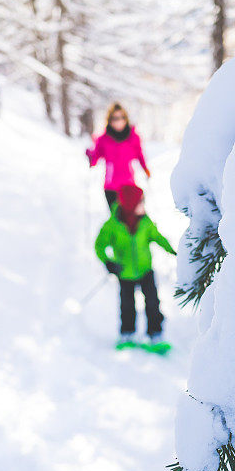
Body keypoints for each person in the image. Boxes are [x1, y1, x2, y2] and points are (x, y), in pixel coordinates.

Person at [94, 184, 176, 350]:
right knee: (127, 304)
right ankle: (127, 333)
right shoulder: (112, 225)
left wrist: (173, 250)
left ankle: (155, 334)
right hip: (125, 272)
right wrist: (109, 262)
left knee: (153, 302)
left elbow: (157, 237)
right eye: (140, 202)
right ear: (129, 205)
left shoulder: (145, 222)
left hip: (145, 270)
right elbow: (99, 245)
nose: (143, 205)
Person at [86, 103, 151, 208]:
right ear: (110, 120)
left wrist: (146, 170)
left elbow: (140, 155)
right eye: (115, 118)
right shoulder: (103, 139)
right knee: (116, 219)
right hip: (110, 187)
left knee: (129, 219)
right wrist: (89, 155)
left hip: (129, 185)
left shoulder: (133, 138)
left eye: (122, 117)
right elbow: (94, 159)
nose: (119, 121)